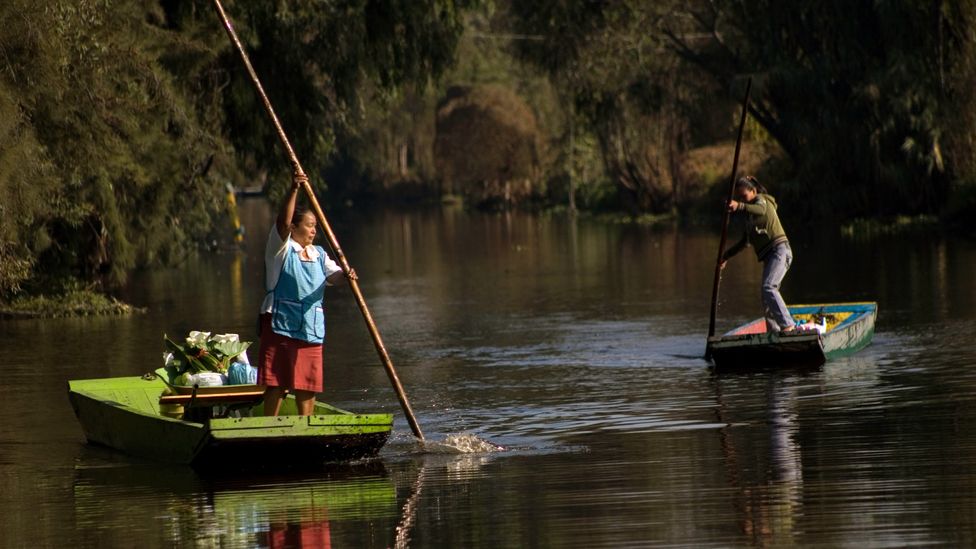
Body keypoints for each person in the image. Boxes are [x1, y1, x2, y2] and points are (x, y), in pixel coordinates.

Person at [258, 171, 356, 416]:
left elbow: (334, 276)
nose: (313, 231)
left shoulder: (319, 254)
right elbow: (282, 222)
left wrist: (347, 275)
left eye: (315, 226)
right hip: (279, 321)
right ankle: (268, 425)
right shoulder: (279, 249)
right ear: (294, 227)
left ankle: (306, 425)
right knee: (277, 381)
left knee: (307, 383)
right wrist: (294, 189)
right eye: (309, 226)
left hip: (310, 326)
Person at [720, 175, 796, 333]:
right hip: (769, 257)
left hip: (780, 251)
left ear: (753, 191)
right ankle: (775, 332)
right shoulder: (749, 219)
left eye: (744, 196)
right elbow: (744, 242)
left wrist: (739, 205)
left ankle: (788, 325)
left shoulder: (763, 201)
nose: (744, 200)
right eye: (740, 198)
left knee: (769, 287)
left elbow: (760, 210)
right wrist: (725, 256)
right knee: (765, 296)